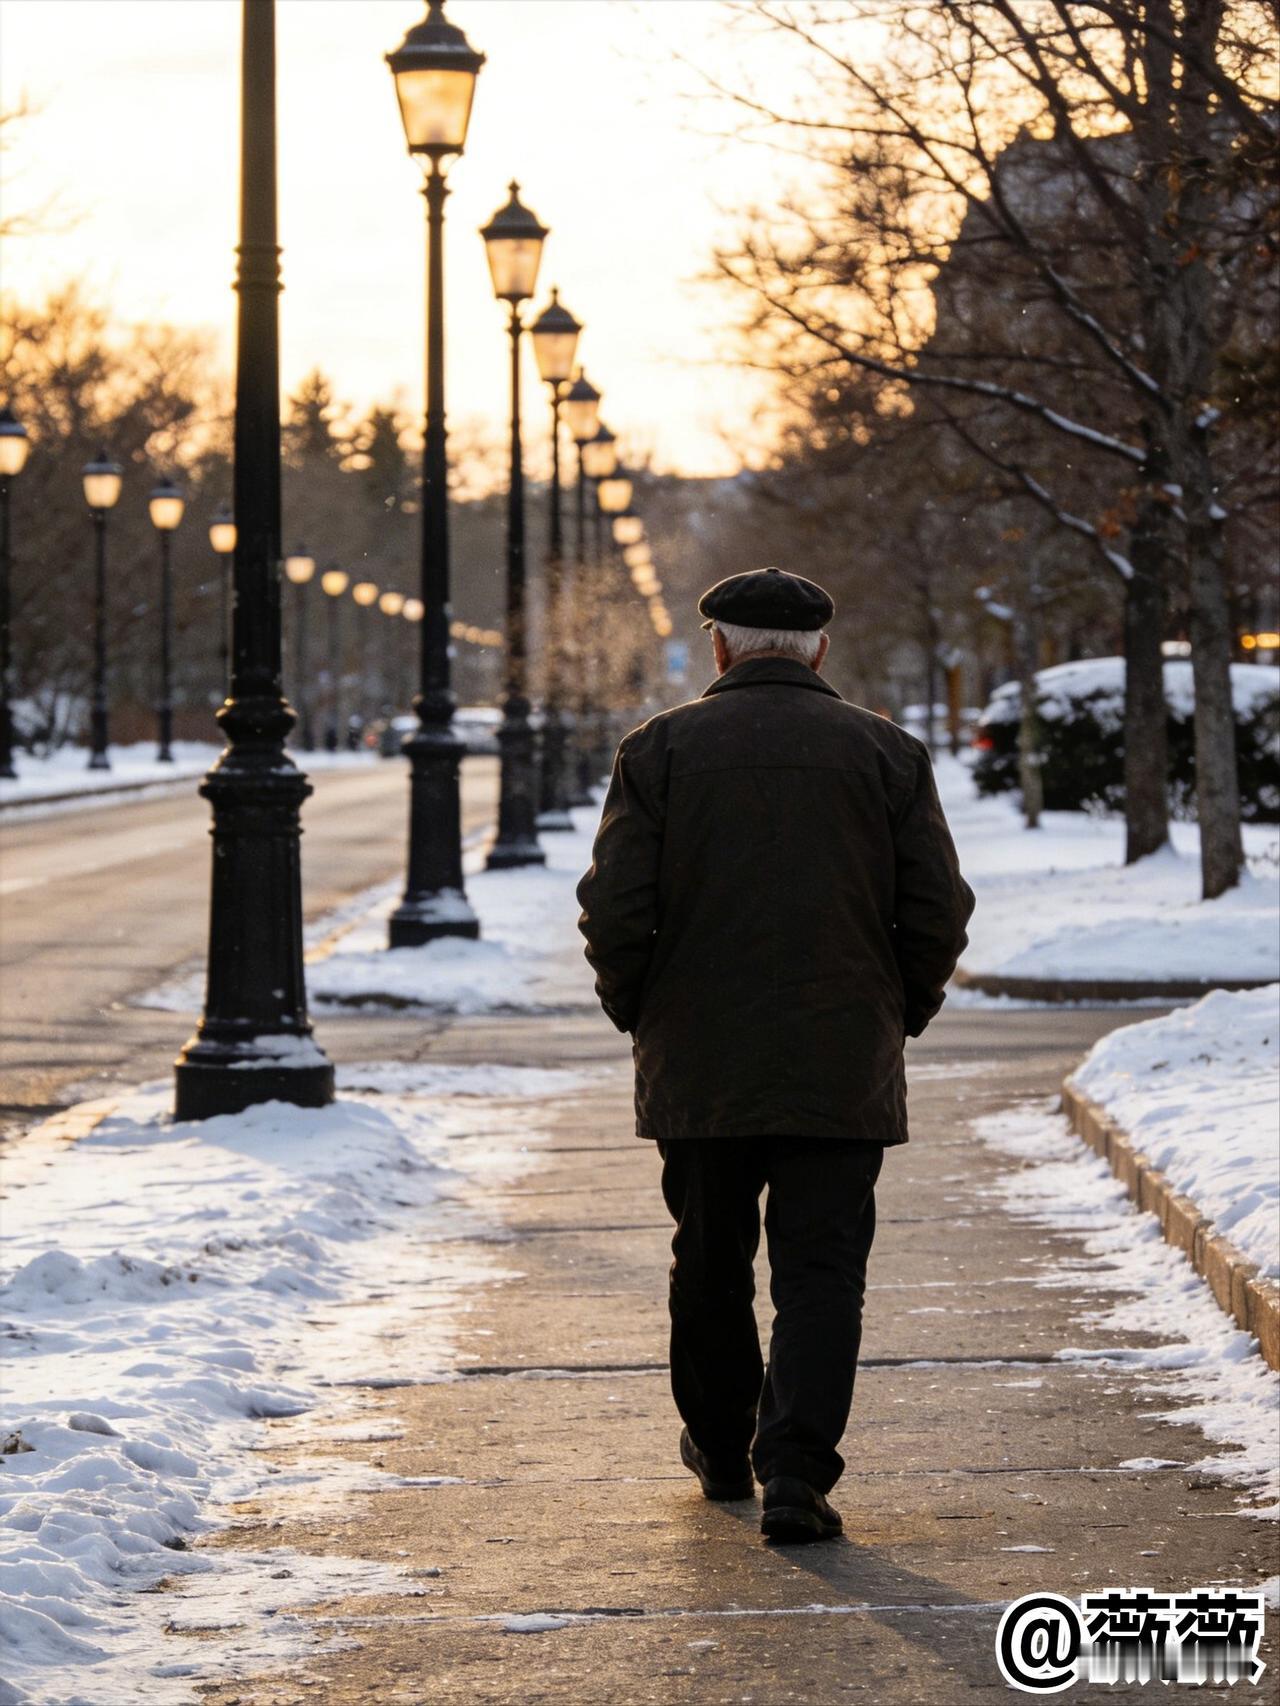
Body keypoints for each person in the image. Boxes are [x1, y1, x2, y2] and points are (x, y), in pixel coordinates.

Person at [576, 567, 974, 1544]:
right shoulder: (885, 752)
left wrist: (642, 1012)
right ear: (819, 648)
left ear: (717, 646)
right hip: (840, 1053)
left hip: (700, 1057)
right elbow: (935, 908)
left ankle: (720, 1445)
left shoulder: (660, 749)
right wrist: (894, 1013)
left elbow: (614, 907)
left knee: (709, 1257)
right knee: (821, 1268)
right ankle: (795, 1466)